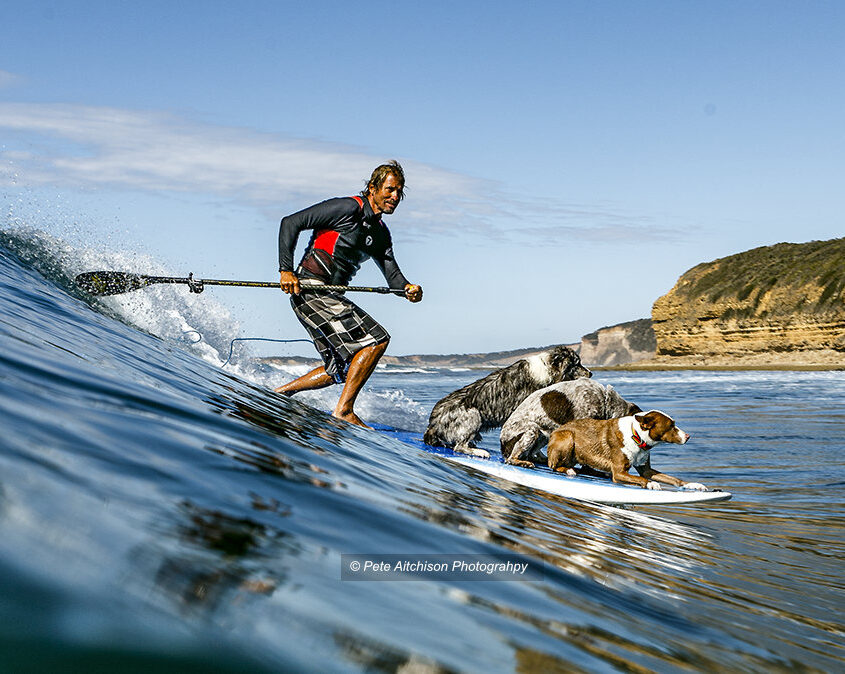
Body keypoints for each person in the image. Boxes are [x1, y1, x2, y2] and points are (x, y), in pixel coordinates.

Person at [274, 161, 422, 427]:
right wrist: (286, 270)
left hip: (329, 298)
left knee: (339, 369)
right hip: (310, 290)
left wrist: (408, 289)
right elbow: (290, 222)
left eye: (399, 192)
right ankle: (343, 410)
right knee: (376, 340)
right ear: (372, 188)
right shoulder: (346, 208)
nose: (395, 197)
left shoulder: (380, 234)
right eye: (390, 189)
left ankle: (278, 395)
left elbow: (394, 278)